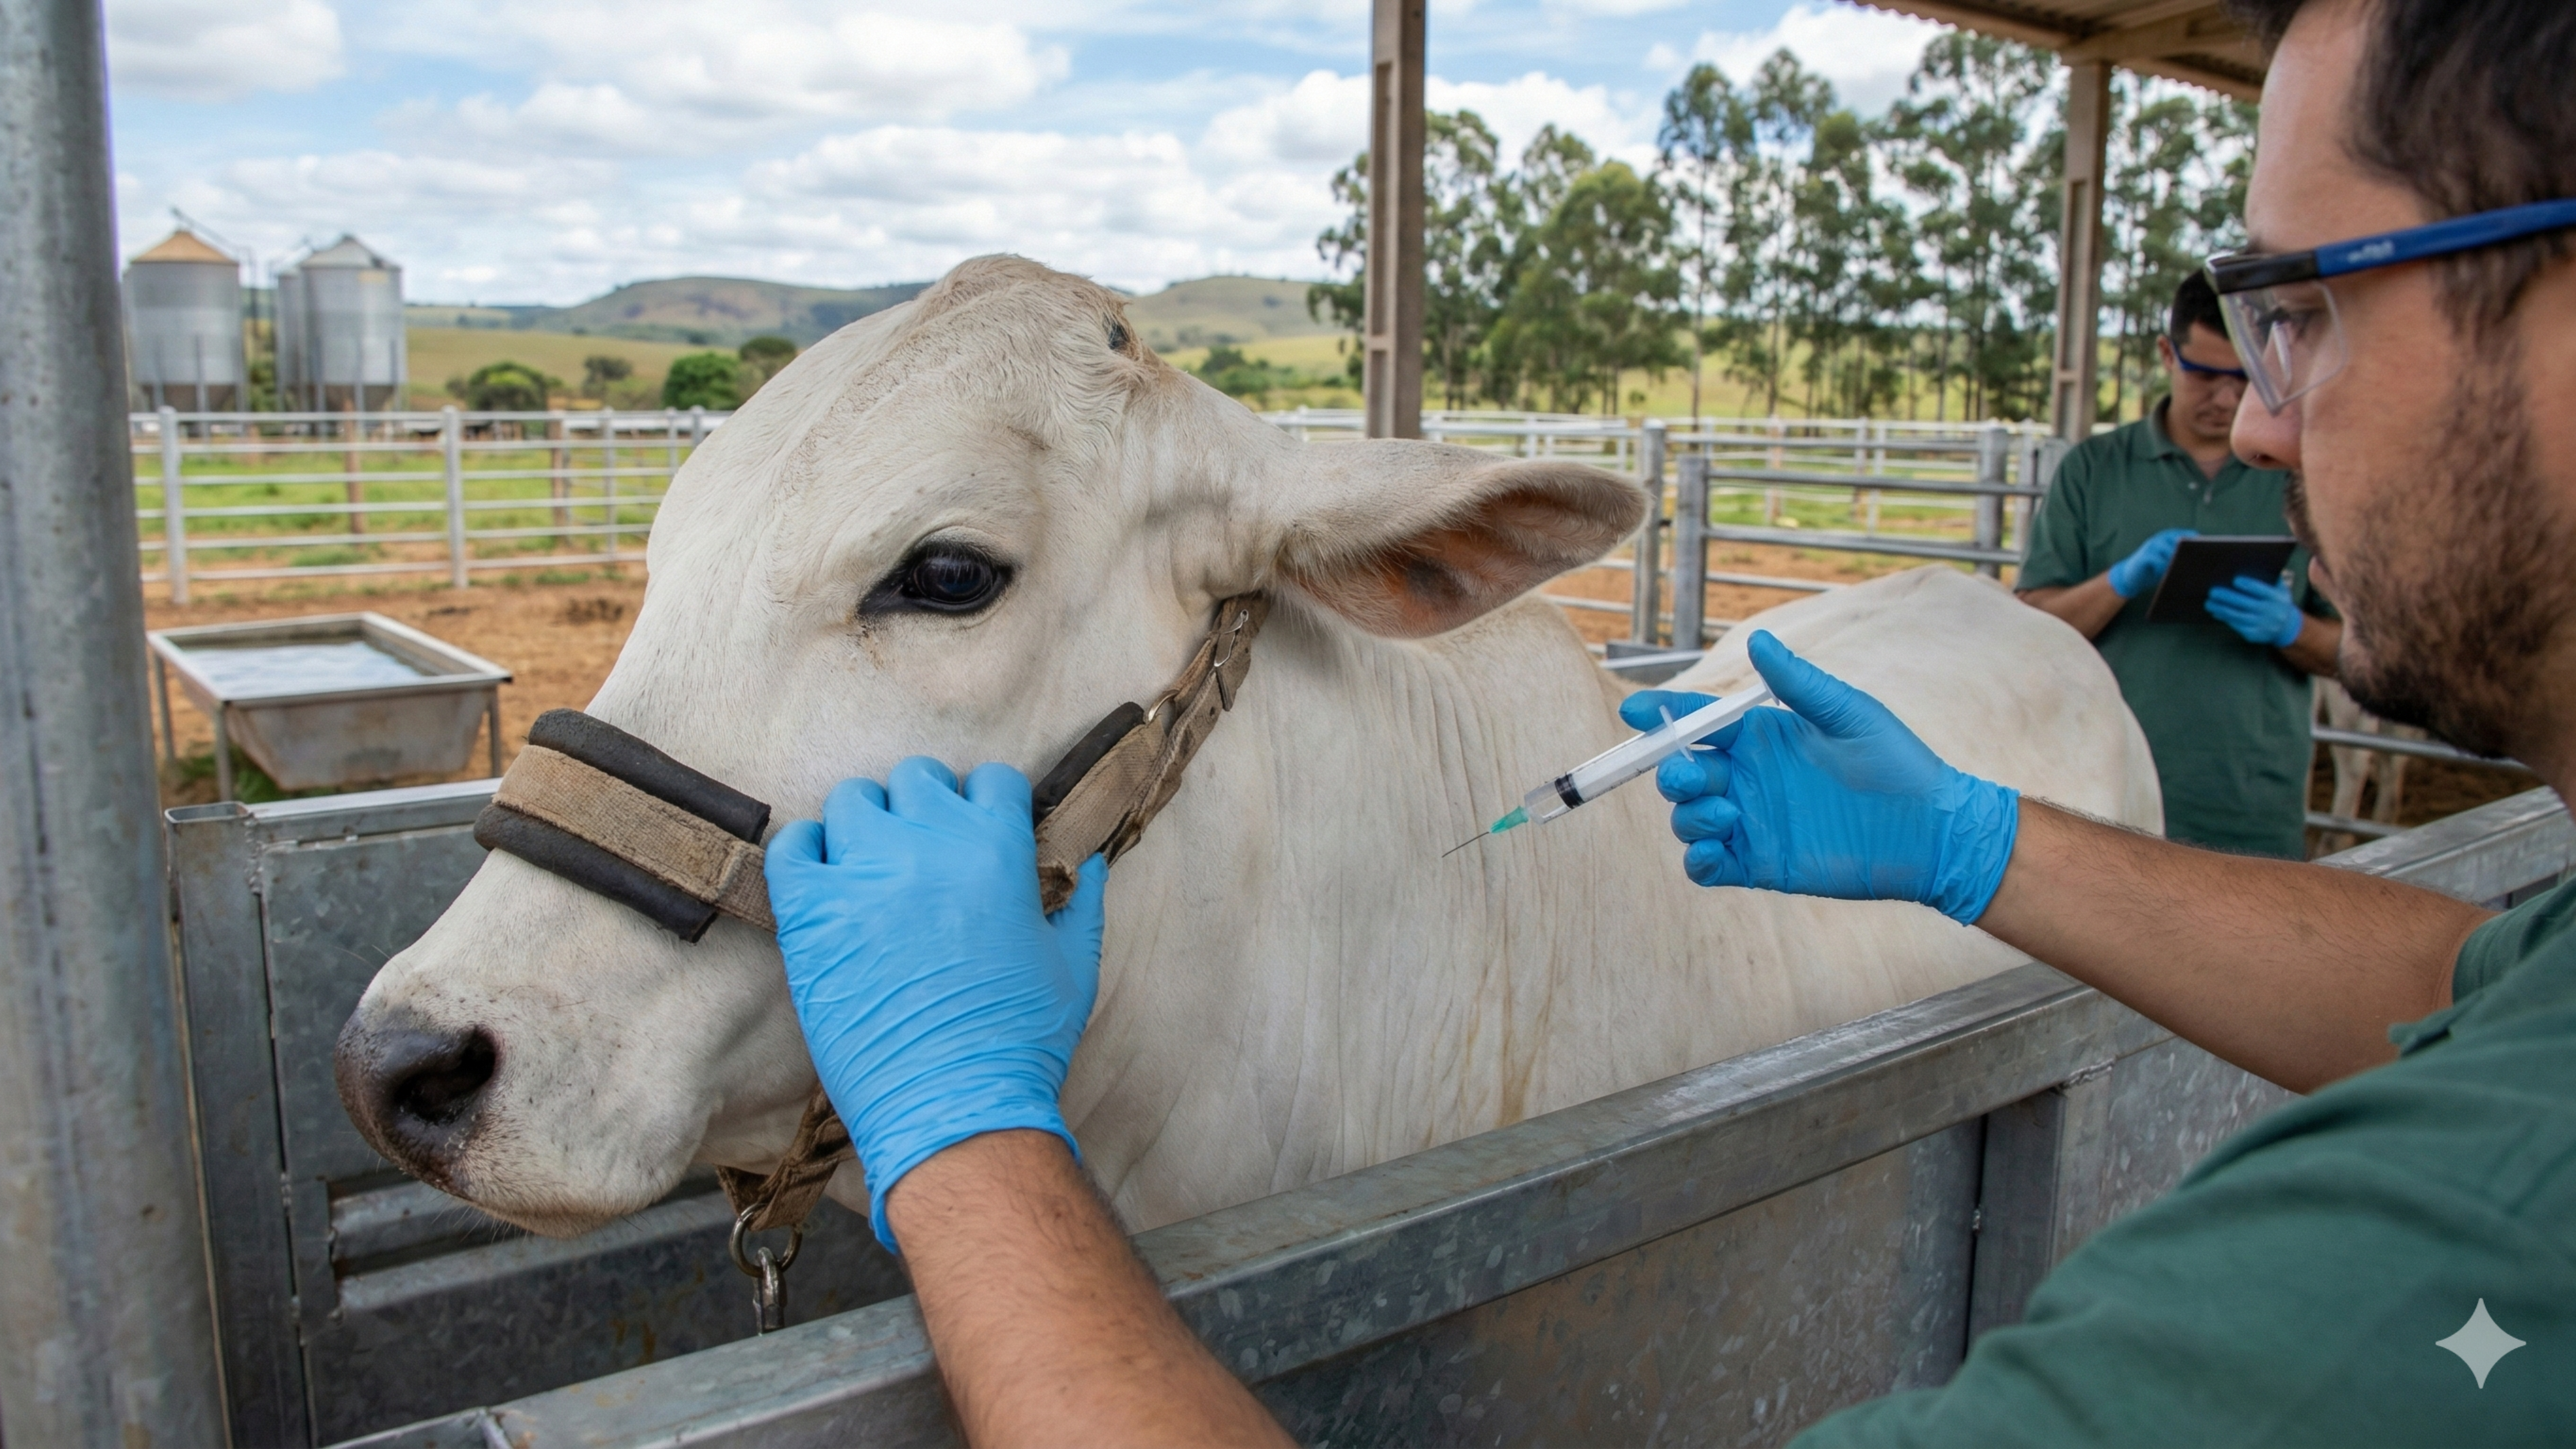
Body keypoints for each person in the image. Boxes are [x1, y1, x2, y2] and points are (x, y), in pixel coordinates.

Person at [761, 0, 2576, 1442]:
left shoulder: (2428, 1279)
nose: (2260, 424)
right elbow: (2490, 984)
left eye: (2311, 307)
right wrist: (1981, 840)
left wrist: (966, 1137)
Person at [2016, 271, 2341, 858]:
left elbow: (2353, 649)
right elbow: (2031, 624)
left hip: (2250, 803)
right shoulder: (2095, 470)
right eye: (2207, 375)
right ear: (2167, 353)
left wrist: (2292, 629)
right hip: (2104, 790)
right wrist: (2118, 582)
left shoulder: (2302, 477)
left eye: (2245, 377)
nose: (2226, 398)